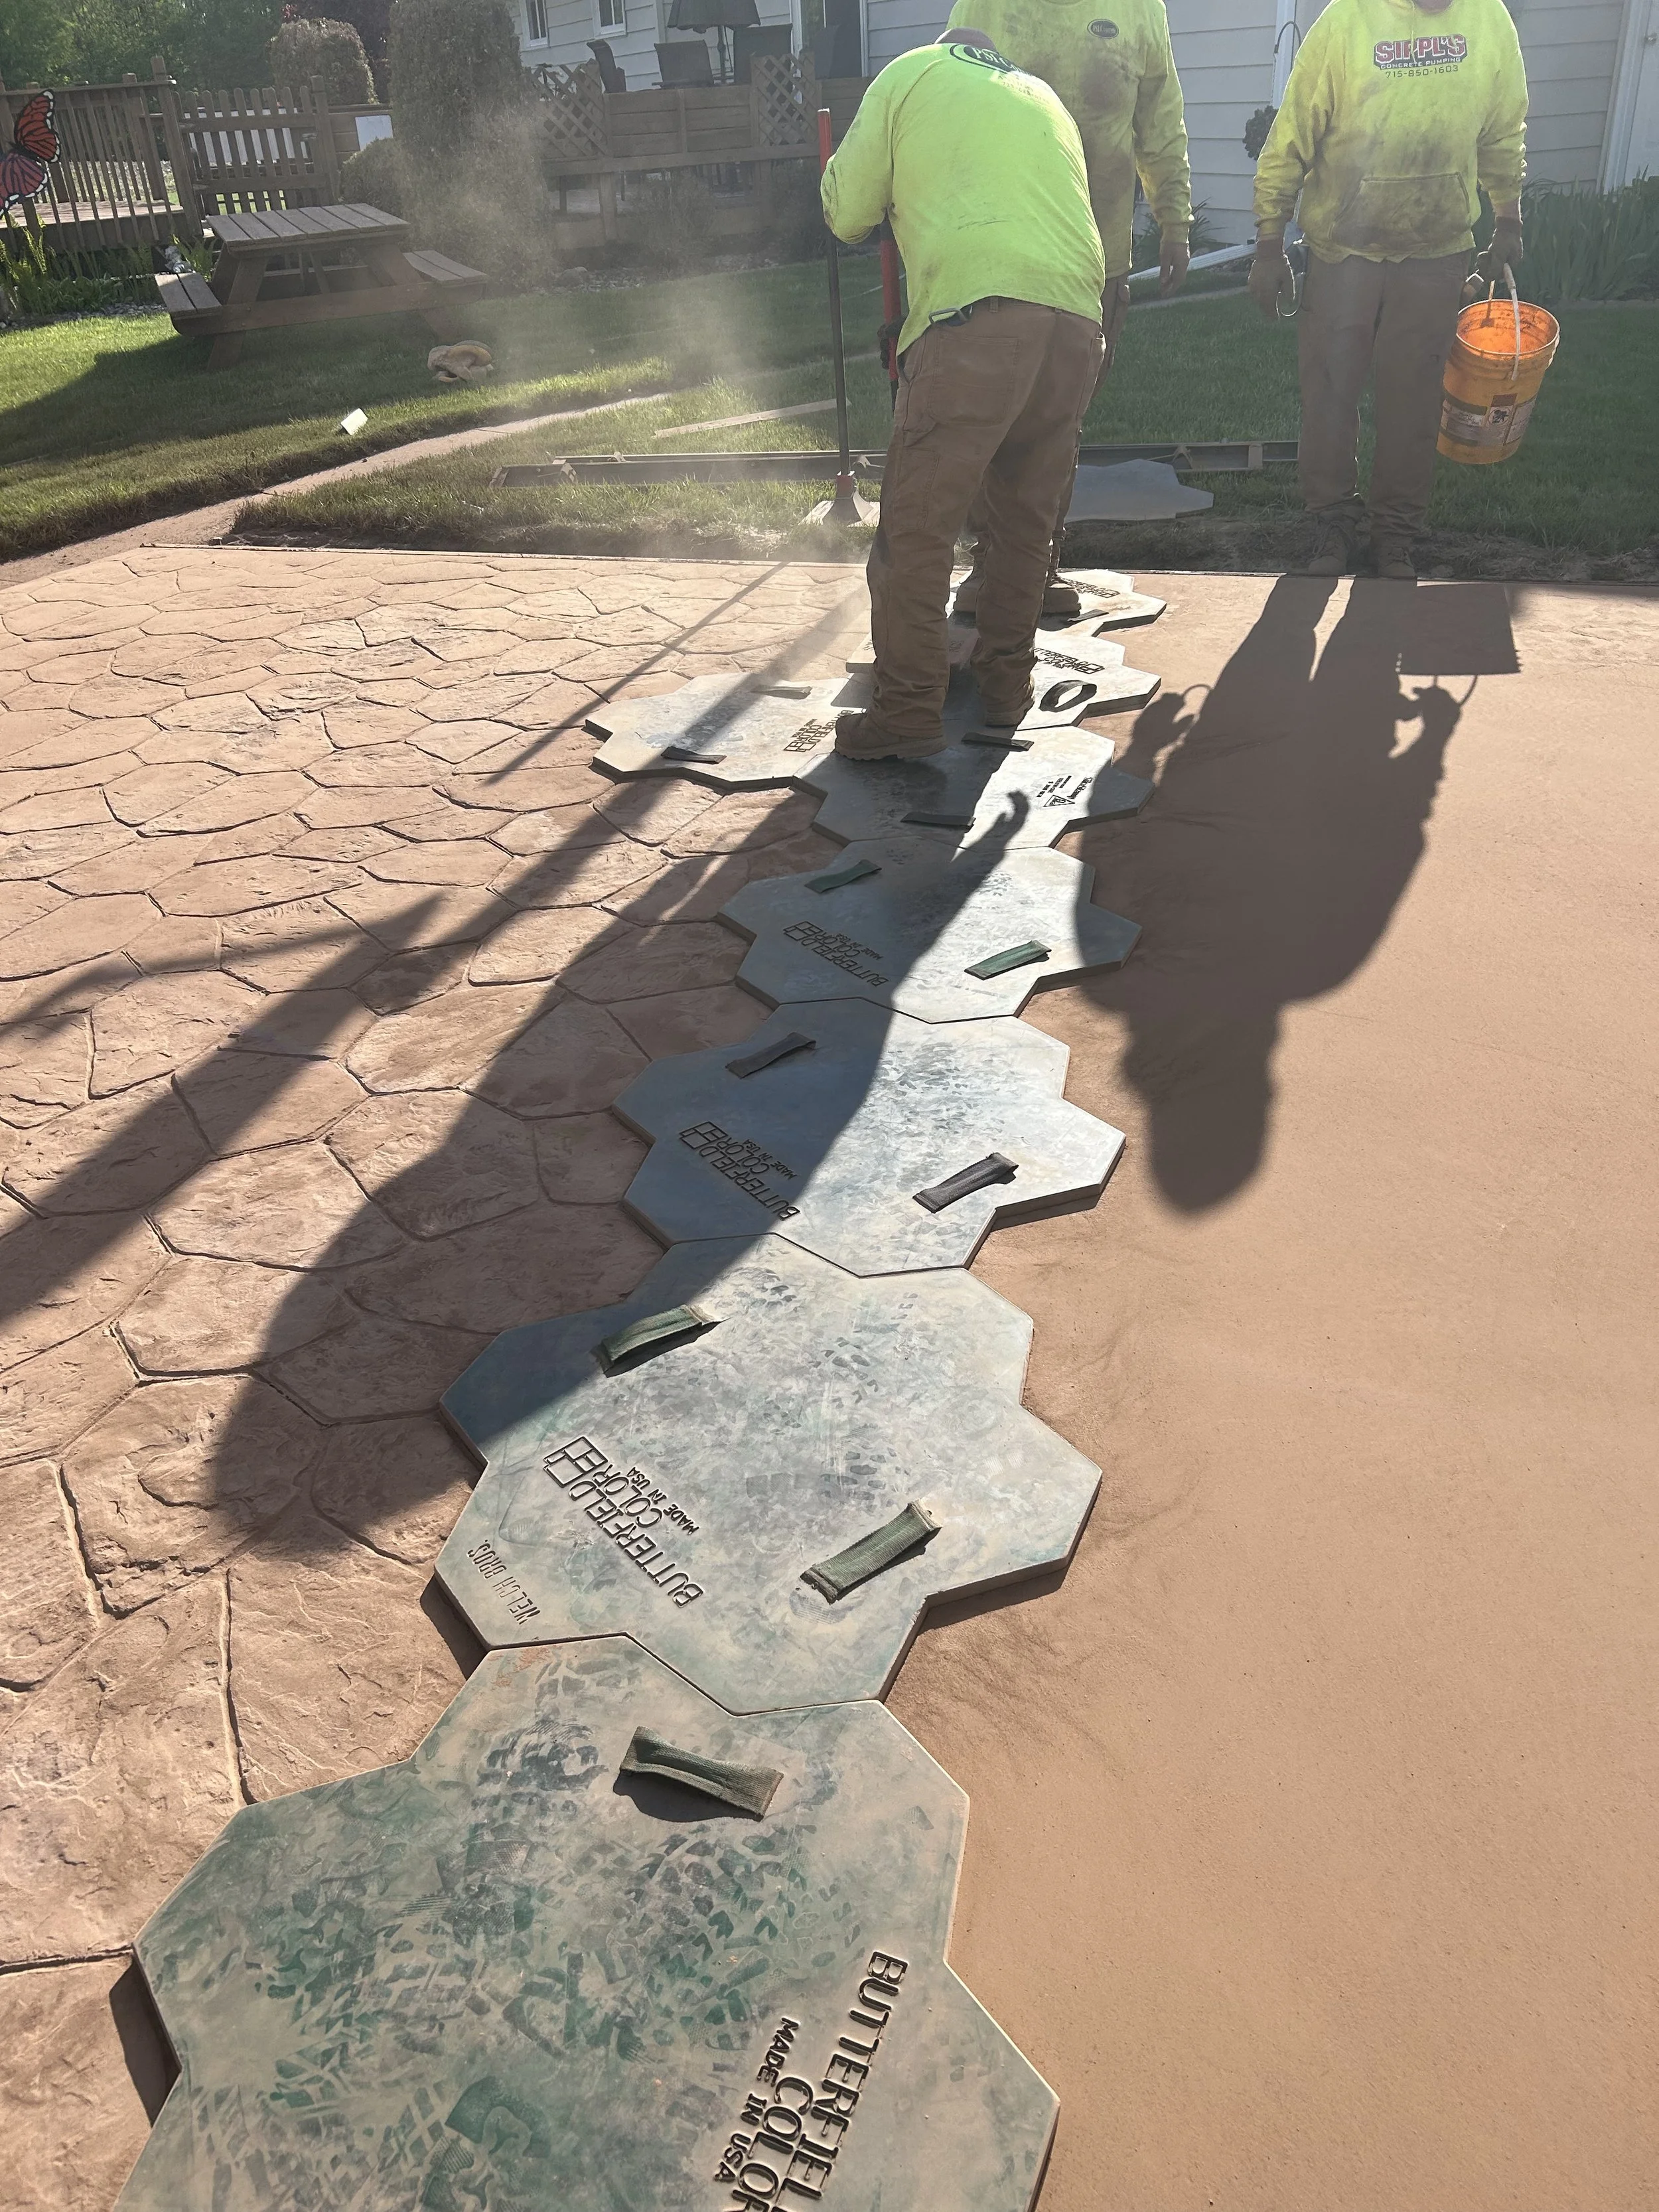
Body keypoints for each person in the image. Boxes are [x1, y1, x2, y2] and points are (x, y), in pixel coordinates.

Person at [822, 29, 1108, 761]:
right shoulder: (1038, 94)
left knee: (916, 534)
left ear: (944, 43)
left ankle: (907, 714)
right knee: (1021, 526)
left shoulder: (910, 72)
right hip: (1076, 322)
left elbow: (848, 210)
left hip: (975, 317)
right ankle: (1007, 691)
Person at [1250, 0, 1528, 580]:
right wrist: (1269, 243)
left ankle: (1396, 534)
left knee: (1414, 402)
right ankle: (1331, 522)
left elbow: (1503, 130)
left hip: (1435, 249)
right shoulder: (1347, 19)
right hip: (1343, 250)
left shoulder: (1488, 19)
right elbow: (1293, 134)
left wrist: (1508, 220)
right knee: (1330, 396)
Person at [947, 0, 1193, 618]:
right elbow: (944, 94)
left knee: (1060, 419)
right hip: (1002, 252)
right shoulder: (987, 5)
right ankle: (989, 562)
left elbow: (1159, 120)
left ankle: (1036, 563)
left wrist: (1175, 220)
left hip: (1095, 256)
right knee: (995, 413)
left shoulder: (1139, 11)